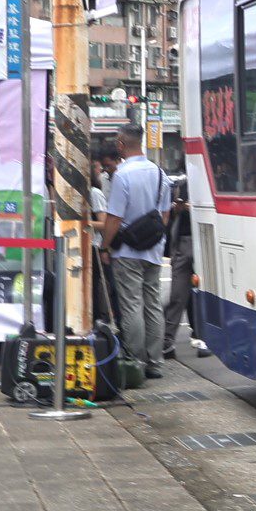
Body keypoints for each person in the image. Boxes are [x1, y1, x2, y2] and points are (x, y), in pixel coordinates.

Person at [99, 130, 168, 389]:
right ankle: (155, 363)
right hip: (153, 250)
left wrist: (105, 247)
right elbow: (164, 216)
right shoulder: (160, 173)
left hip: (127, 251)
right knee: (153, 304)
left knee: (131, 305)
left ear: (120, 144)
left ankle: (135, 362)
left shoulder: (122, 176)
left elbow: (114, 218)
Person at [161, 171, 198, 360]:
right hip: (184, 242)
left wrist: (190, 208)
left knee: (190, 295)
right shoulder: (183, 183)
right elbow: (173, 210)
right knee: (179, 294)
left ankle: (198, 336)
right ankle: (167, 341)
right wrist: (180, 208)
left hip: (195, 242)